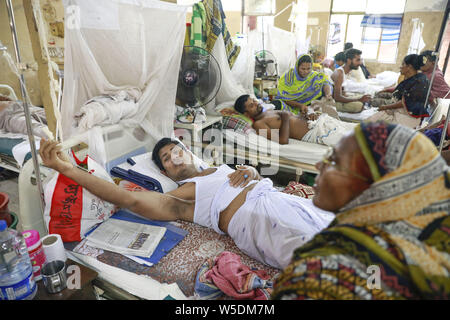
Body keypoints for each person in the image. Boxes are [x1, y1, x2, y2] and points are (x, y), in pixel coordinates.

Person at [39, 138, 335, 270]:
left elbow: (251, 177)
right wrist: (69, 170)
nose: (173, 157)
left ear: (188, 152)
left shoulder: (220, 167)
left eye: (175, 150)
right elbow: (127, 198)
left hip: (279, 198)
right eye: (166, 159)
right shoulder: (180, 197)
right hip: (257, 218)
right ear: (165, 173)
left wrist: (253, 171)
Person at [271, 121, 450, 299]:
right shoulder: (431, 248)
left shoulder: (320, 278)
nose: (319, 165)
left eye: (333, 161)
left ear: (379, 186)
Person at [234, 94, 356, 146]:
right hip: (315, 133)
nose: (256, 104)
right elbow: (282, 141)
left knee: (360, 130)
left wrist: (308, 113)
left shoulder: (269, 111)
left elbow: (294, 117)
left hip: (319, 122)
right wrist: (285, 117)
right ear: (246, 113)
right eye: (251, 105)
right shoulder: (259, 125)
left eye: (254, 101)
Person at [367, 54, 430, 128]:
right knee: (370, 121)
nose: (400, 67)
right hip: (400, 112)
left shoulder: (419, 81)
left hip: (408, 118)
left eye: (403, 64)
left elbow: (404, 102)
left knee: (370, 125)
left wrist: (385, 107)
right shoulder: (412, 78)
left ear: (409, 67)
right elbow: (400, 92)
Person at [331, 48, 371, 113]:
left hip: (341, 97)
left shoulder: (348, 72)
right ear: (349, 60)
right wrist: (359, 99)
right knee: (358, 106)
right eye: (357, 60)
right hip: (334, 101)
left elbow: (343, 91)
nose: (360, 63)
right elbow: (337, 97)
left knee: (368, 97)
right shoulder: (339, 73)